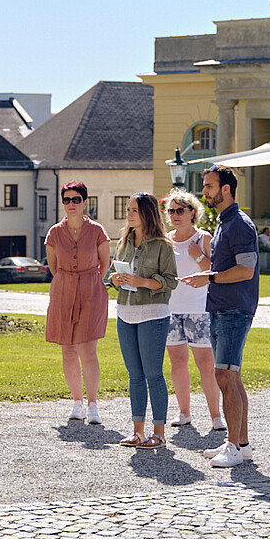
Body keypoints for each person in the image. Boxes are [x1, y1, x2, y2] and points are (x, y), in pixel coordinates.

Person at [181, 164, 260, 468]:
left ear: (226, 189)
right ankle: (241, 444)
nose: (205, 192)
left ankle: (234, 447)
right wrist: (209, 276)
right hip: (222, 308)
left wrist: (209, 278)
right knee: (230, 376)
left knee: (225, 376)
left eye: (210, 186)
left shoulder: (238, 224)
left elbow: (246, 270)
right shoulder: (226, 223)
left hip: (233, 309)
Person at [109, 192, 179, 449]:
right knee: (134, 375)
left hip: (153, 316)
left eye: (133, 210)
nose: (128, 214)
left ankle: (158, 433)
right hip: (125, 314)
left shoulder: (163, 245)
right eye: (128, 209)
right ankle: (138, 432)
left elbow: (170, 281)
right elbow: (112, 273)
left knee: (153, 374)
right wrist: (114, 279)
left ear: (147, 214)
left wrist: (143, 282)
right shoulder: (124, 242)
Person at [45, 181, 111, 425]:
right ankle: (77, 402)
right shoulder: (54, 232)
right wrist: (68, 282)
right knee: (68, 349)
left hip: (91, 289)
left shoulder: (97, 231)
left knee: (87, 349)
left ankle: (93, 404)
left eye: (76, 199)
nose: (71, 204)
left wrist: (89, 282)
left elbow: (104, 264)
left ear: (85, 202)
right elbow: (53, 266)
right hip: (63, 289)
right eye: (66, 200)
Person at [164, 189, 224, 431]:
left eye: (180, 210)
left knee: (206, 365)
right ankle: (184, 412)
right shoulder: (166, 240)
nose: (175, 215)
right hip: (171, 310)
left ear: (192, 213)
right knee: (177, 362)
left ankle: (216, 416)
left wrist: (198, 255)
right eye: (171, 211)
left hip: (199, 310)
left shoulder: (203, 238)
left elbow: (215, 273)